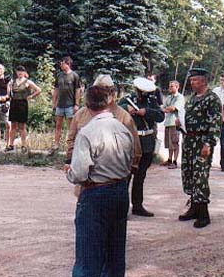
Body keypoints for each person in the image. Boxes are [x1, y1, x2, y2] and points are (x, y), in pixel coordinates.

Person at [61, 85, 134, 277]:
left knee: (87, 258)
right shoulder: (123, 128)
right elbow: (132, 159)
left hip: (96, 194)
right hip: (120, 191)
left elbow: (80, 173)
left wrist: (69, 172)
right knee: (115, 251)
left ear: (87, 104)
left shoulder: (87, 132)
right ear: (109, 102)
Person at [66, 74, 141, 173]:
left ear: (112, 92)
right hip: (86, 176)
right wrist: (70, 160)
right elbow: (71, 139)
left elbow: (135, 146)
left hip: (114, 175)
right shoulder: (81, 114)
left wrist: (131, 168)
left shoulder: (124, 116)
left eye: (106, 91)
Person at [178, 68, 222, 228]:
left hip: (201, 142)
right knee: (189, 174)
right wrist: (180, 123)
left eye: (195, 80)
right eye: (191, 80)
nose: (191, 82)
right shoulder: (192, 98)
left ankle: (204, 214)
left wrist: (208, 143)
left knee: (200, 176)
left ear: (203, 81)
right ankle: (194, 208)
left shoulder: (212, 99)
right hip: (189, 141)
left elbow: (215, 123)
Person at [118, 77, 164, 217]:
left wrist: (147, 112)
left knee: (140, 176)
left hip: (147, 143)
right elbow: (116, 109)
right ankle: (122, 208)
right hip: (132, 141)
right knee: (126, 176)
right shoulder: (128, 100)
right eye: (142, 92)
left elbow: (160, 116)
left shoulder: (152, 101)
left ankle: (137, 206)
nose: (143, 94)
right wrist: (127, 108)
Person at [6, 65, 41, 152]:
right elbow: (9, 94)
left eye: (21, 71)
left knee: (22, 126)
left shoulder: (27, 82)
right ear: (16, 72)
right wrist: (8, 87)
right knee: (13, 125)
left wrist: (31, 96)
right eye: (18, 71)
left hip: (22, 104)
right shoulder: (12, 82)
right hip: (14, 103)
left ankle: (23, 145)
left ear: (24, 72)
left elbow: (38, 90)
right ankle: (11, 144)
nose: (20, 73)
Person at [52, 56, 81, 150]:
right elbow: (56, 89)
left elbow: (77, 90)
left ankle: (71, 145)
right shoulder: (59, 75)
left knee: (71, 127)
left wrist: (76, 104)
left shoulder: (74, 76)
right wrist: (54, 102)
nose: (61, 65)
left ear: (68, 64)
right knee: (58, 125)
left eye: (62, 63)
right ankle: (56, 144)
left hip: (70, 105)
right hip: (60, 105)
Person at [161, 80, 185, 169]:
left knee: (174, 142)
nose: (170, 88)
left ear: (177, 87)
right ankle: (169, 159)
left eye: (172, 86)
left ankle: (175, 161)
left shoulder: (180, 97)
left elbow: (173, 108)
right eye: (169, 86)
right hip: (168, 122)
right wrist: (166, 109)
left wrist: (166, 109)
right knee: (169, 143)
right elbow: (163, 107)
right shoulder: (169, 97)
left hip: (175, 122)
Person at [213, 73, 224, 171]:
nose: (222, 82)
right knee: (211, 141)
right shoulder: (215, 90)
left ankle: (223, 163)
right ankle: (208, 161)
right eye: (221, 80)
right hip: (215, 117)